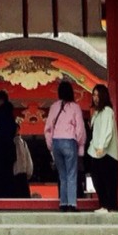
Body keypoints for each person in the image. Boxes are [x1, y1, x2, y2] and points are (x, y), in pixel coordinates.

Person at [44, 79, 87, 212]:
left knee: (62, 175)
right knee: (71, 174)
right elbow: (80, 129)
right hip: (69, 141)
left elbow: (48, 128)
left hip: (56, 142)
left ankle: (63, 203)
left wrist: (50, 145)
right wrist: (81, 145)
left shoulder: (54, 107)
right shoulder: (75, 107)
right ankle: (71, 204)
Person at [89, 83, 118, 212]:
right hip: (96, 152)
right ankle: (104, 205)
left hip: (107, 153)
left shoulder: (108, 111)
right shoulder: (97, 113)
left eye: (98, 95)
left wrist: (102, 146)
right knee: (98, 180)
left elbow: (108, 130)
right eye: (94, 95)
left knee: (109, 181)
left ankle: (110, 206)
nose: (95, 98)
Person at [12, 119, 34, 199]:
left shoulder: (23, 142)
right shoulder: (10, 142)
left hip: (23, 173)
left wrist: (29, 170)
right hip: (14, 174)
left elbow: (28, 157)